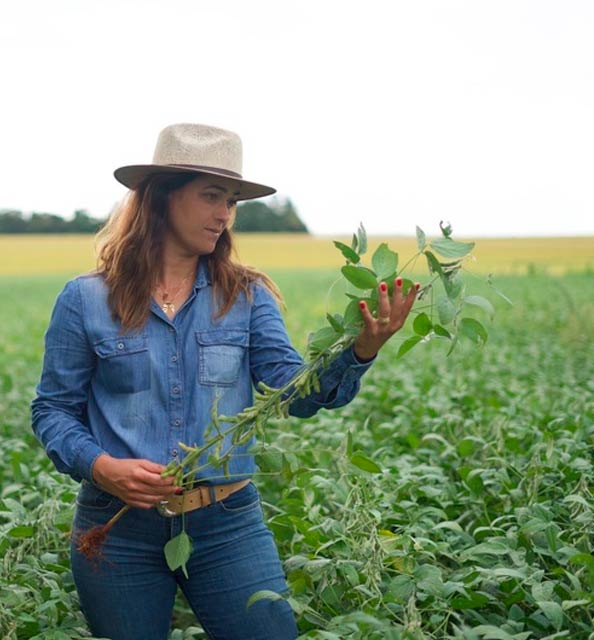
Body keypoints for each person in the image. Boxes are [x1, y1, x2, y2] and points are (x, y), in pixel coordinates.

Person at [30, 123, 419, 640]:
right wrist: (101, 467)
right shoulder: (84, 301)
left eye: (231, 201)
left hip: (226, 523)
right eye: (212, 196)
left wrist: (361, 349)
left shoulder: (247, 295)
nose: (225, 214)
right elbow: (52, 410)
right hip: (116, 527)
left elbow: (293, 393)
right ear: (162, 197)